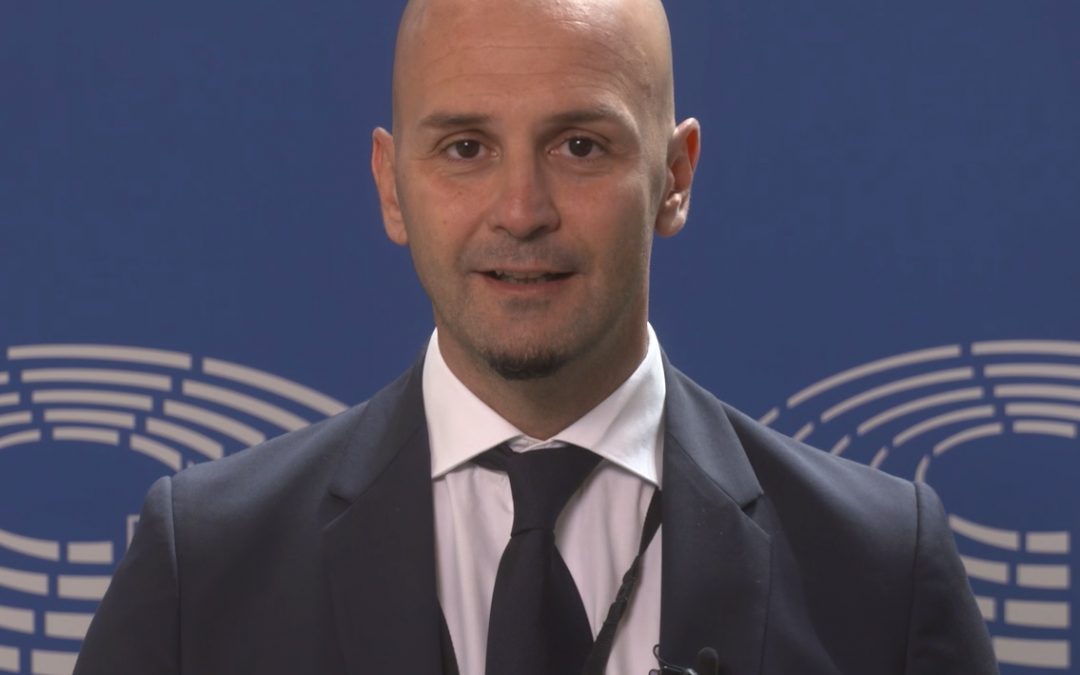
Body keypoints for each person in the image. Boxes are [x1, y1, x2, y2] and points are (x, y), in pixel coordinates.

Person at [74, 0, 998, 673]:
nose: (521, 210)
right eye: (466, 148)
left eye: (579, 146)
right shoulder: (206, 566)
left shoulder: (882, 570)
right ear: (392, 186)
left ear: (675, 176)